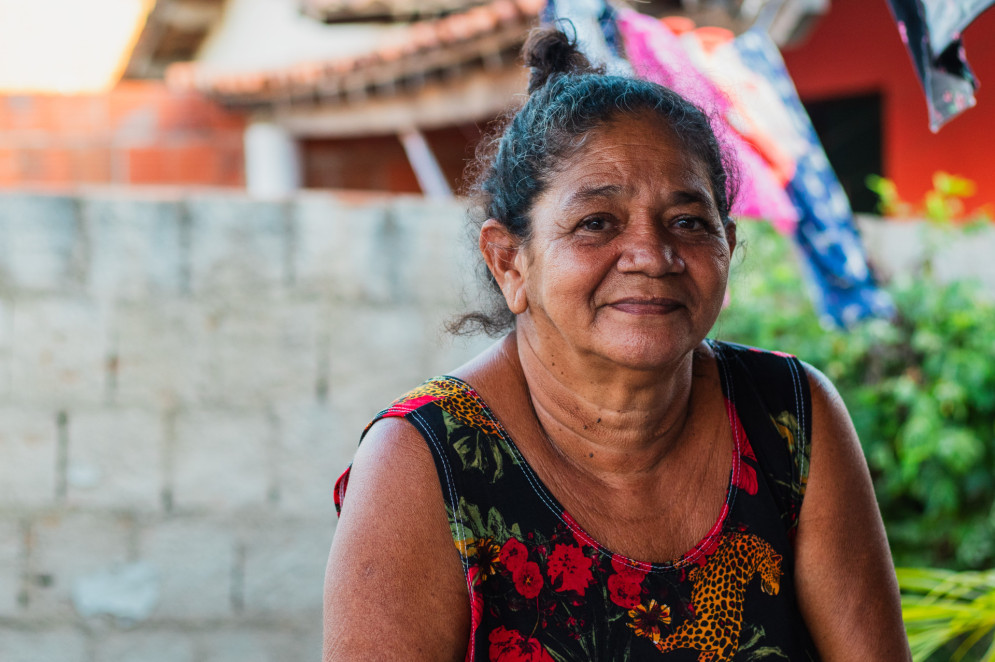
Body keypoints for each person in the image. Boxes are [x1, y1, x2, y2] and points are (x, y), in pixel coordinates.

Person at [323, 27, 911, 662]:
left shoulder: (792, 415)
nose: (653, 256)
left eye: (688, 222)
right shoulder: (421, 460)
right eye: (596, 223)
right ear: (510, 263)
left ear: (727, 249)